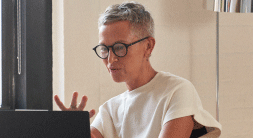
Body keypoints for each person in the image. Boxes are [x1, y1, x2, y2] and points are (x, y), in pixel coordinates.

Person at [54, 2, 222, 138]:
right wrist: (73, 127)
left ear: (148, 46)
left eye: (120, 47)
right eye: (104, 49)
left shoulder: (176, 91)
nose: (110, 59)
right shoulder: (110, 109)